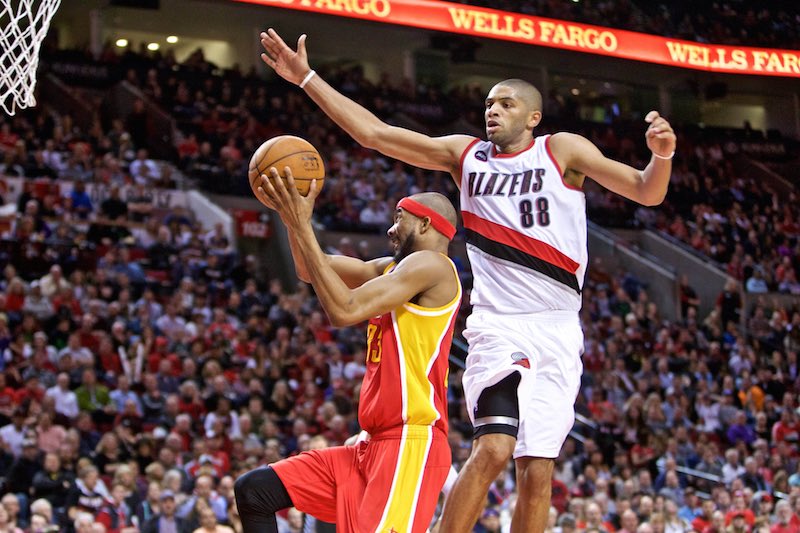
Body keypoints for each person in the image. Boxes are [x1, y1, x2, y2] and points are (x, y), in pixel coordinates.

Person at [258, 28, 676, 532]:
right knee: (495, 448)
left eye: (505, 103)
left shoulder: (561, 150)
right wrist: (306, 78)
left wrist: (661, 156)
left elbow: (646, 192)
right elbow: (375, 134)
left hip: (560, 325)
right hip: (499, 325)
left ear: (533, 117)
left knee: (538, 471)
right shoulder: (466, 157)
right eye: (488, 103)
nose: (492, 110)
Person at [233, 170, 461, 533]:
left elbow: (345, 310)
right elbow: (311, 268)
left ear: (425, 224)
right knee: (254, 491)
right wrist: (290, 215)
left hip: (409, 443)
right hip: (369, 447)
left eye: (399, 217)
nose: (390, 228)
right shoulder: (391, 269)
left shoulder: (432, 265)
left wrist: (302, 222)